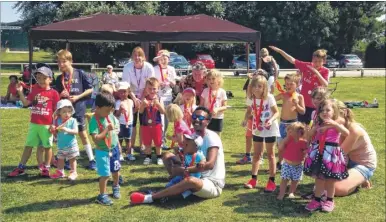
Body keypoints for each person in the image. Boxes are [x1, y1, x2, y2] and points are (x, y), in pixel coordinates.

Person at [130, 107, 225, 204]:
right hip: (195, 173)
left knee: (191, 181)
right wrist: (178, 157)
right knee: (167, 156)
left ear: (207, 122)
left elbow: (210, 165)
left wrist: (184, 170)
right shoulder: (193, 134)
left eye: (200, 118)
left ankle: (151, 197)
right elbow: (187, 152)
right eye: (194, 116)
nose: (196, 119)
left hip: (211, 183)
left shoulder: (212, 137)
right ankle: (177, 186)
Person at [8, 67, 60, 177]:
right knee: (28, 145)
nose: (41, 80)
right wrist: (20, 92)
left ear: (50, 79)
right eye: (38, 78)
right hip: (34, 124)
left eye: (44, 78)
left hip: (46, 126)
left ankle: (46, 168)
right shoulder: (34, 90)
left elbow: (56, 111)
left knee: (47, 147)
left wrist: (53, 124)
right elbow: (26, 103)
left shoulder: (54, 93)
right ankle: (21, 167)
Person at [303, 99, 349, 212]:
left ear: (334, 111)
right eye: (322, 110)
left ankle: (329, 200)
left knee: (330, 180)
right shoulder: (318, 123)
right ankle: (317, 200)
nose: (324, 112)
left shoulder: (339, 121)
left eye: (328, 110)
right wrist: (312, 130)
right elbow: (309, 136)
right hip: (319, 152)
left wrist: (333, 124)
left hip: (331, 154)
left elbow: (346, 133)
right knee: (319, 178)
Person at [55, 49, 96, 170]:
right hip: (64, 112)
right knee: (65, 133)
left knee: (82, 134)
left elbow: (90, 89)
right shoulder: (59, 78)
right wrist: (61, 94)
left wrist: (78, 96)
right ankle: (67, 160)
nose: (61, 65)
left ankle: (91, 159)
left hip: (78, 109)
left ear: (70, 61)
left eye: (63, 61)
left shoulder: (80, 73)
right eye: (59, 62)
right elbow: (56, 95)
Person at [269, 46, 329, 125]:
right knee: (302, 126)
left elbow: (325, 84)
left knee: (317, 125)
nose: (317, 63)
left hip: (316, 104)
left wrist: (316, 73)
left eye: (319, 61)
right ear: (312, 60)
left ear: (323, 61)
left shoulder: (325, 71)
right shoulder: (307, 66)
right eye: (315, 61)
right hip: (304, 103)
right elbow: (292, 60)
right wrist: (280, 51)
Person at [242, 75, 280, 192]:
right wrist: (245, 119)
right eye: (254, 86)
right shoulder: (251, 98)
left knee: (270, 155)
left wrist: (271, 120)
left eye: (260, 86)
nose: (257, 88)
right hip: (257, 128)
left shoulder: (269, 97)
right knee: (257, 154)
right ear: (251, 87)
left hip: (270, 129)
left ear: (265, 87)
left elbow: (276, 112)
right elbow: (249, 111)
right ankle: (253, 179)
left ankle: (271, 181)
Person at [334, 101, 377, 196]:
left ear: (344, 113)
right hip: (348, 161)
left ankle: (359, 180)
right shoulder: (336, 128)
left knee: (336, 189)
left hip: (364, 164)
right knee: (323, 184)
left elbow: (337, 155)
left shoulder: (354, 131)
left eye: (334, 116)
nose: (330, 120)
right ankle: (356, 178)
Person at [89, 93, 121, 206]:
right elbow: (96, 139)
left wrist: (116, 133)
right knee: (105, 174)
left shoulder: (110, 115)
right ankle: (102, 195)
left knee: (116, 170)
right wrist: (107, 129)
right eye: (107, 110)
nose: (109, 113)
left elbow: (116, 127)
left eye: (111, 110)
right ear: (97, 108)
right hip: (102, 152)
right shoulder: (94, 121)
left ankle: (116, 186)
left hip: (114, 149)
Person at [122, 46, 155, 149]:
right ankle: (130, 147)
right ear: (132, 57)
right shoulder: (127, 67)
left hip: (145, 95)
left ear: (143, 57)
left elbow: (150, 84)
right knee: (132, 122)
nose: (137, 57)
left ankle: (142, 146)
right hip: (131, 96)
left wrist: (141, 98)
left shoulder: (149, 67)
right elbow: (126, 85)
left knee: (143, 123)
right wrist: (135, 99)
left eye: (139, 55)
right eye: (135, 55)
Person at [236, 70, 269, 165]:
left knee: (260, 138)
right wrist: (246, 119)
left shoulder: (265, 95)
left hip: (262, 120)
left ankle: (261, 157)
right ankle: (247, 156)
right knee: (248, 136)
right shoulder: (251, 96)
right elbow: (249, 109)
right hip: (252, 119)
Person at [275, 73, 305, 169]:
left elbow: (303, 111)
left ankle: (294, 162)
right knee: (280, 145)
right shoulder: (283, 95)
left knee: (292, 145)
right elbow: (272, 99)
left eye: (291, 84)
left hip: (293, 125)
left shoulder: (300, 97)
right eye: (286, 84)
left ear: (297, 84)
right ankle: (280, 162)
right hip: (282, 124)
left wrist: (297, 105)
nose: (288, 86)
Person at [165, 134, 206, 199]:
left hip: (193, 177)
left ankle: (180, 195)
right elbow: (179, 159)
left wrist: (202, 162)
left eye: (187, 144)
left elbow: (203, 159)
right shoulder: (185, 152)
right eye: (185, 143)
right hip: (183, 175)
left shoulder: (198, 154)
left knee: (187, 190)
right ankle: (169, 188)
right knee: (174, 181)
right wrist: (176, 151)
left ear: (196, 147)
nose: (184, 145)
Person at [277, 122, 308, 200]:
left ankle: (291, 192)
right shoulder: (288, 139)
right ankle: (281, 193)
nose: (298, 133)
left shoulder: (303, 141)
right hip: (287, 164)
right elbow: (280, 148)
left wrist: (305, 152)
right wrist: (287, 137)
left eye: (300, 131)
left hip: (298, 165)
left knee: (295, 181)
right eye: (296, 131)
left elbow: (306, 151)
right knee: (284, 180)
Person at [153, 49, 177, 150]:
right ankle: (158, 141)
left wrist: (170, 83)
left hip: (168, 97)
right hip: (157, 97)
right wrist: (159, 83)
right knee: (158, 121)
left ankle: (162, 140)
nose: (163, 60)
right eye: (161, 59)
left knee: (166, 121)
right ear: (158, 60)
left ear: (168, 59)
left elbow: (174, 83)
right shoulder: (154, 69)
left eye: (165, 58)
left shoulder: (171, 69)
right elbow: (152, 82)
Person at [50, 99, 79, 180]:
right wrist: (53, 130)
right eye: (64, 111)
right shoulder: (57, 121)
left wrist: (67, 129)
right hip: (61, 145)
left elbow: (76, 131)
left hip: (71, 145)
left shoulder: (73, 120)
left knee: (72, 159)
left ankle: (73, 172)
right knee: (60, 158)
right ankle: (60, 172)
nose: (67, 114)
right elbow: (55, 133)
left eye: (69, 111)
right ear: (59, 112)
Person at [139, 77, 166, 165]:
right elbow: (140, 111)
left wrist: (158, 105)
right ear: (146, 89)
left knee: (158, 142)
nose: (152, 90)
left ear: (158, 89)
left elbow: (163, 112)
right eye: (149, 88)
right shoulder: (144, 99)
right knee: (147, 142)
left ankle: (159, 157)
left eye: (154, 88)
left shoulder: (159, 99)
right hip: (146, 125)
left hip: (157, 125)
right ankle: (148, 156)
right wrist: (143, 105)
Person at [200, 69, 228, 134]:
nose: (211, 81)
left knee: (216, 138)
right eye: (209, 79)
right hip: (206, 118)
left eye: (213, 78)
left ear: (219, 80)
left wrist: (217, 109)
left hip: (218, 118)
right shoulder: (205, 91)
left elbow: (225, 106)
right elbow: (201, 105)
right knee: (205, 136)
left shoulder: (222, 92)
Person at [114, 82, 135, 161]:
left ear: (128, 92)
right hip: (120, 124)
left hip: (129, 123)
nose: (122, 94)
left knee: (128, 139)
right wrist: (120, 110)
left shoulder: (131, 101)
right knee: (119, 140)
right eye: (120, 92)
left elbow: (133, 111)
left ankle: (129, 154)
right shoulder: (118, 102)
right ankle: (120, 154)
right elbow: (116, 115)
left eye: (124, 92)